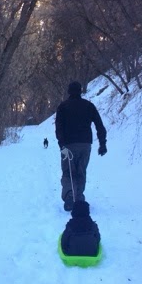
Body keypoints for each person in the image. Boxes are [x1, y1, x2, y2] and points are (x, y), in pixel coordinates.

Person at [55, 81, 107, 211]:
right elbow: (99, 125)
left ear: (69, 92)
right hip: (85, 145)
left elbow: (58, 128)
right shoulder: (89, 106)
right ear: (81, 91)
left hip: (68, 145)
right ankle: (78, 198)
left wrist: (62, 144)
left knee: (68, 172)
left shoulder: (63, 107)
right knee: (81, 171)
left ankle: (69, 197)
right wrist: (102, 144)